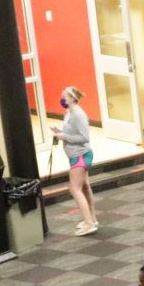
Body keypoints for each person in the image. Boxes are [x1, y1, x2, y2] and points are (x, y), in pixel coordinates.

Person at [51, 85, 98, 236]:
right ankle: (91, 218)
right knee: (84, 187)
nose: (62, 99)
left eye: (64, 96)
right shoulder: (68, 112)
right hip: (75, 155)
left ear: (72, 98)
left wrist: (64, 137)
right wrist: (60, 133)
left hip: (81, 155)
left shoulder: (79, 114)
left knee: (74, 189)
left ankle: (89, 223)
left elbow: (84, 137)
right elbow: (71, 132)